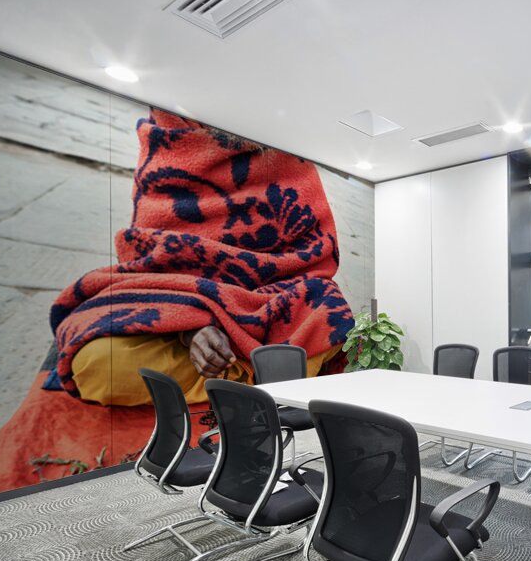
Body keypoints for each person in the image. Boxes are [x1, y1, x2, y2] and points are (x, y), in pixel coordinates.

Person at [47, 108, 352, 406]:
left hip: (268, 303)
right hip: (178, 308)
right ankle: (257, 380)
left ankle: (244, 374)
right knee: (97, 365)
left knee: (328, 320)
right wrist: (189, 327)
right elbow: (152, 261)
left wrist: (234, 324)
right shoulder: (169, 138)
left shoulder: (287, 148)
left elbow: (312, 258)